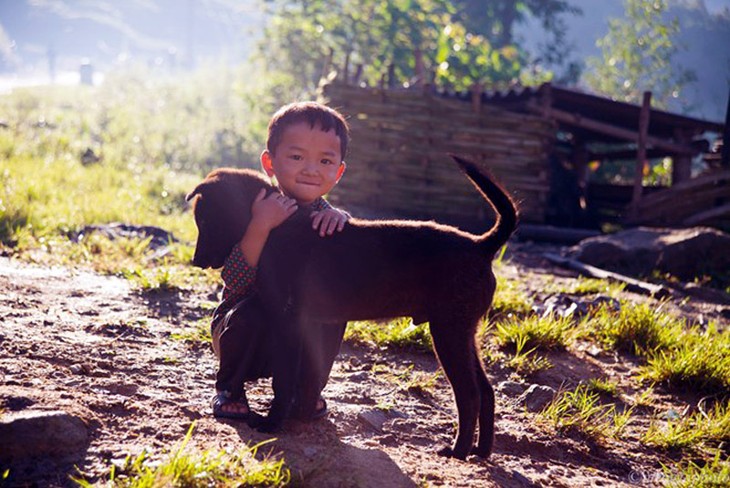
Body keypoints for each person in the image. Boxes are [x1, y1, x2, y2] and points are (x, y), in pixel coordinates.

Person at [210, 101, 350, 422]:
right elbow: (234, 280)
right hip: (244, 334)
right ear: (269, 162)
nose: (311, 169)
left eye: (325, 160)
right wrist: (261, 225)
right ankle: (230, 389)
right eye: (297, 157)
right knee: (253, 313)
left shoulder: (328, 220)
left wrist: (341, 221)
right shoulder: (255, 208)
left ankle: (307, 390)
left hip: (296, 337)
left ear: (339, 171)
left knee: (329, 316)